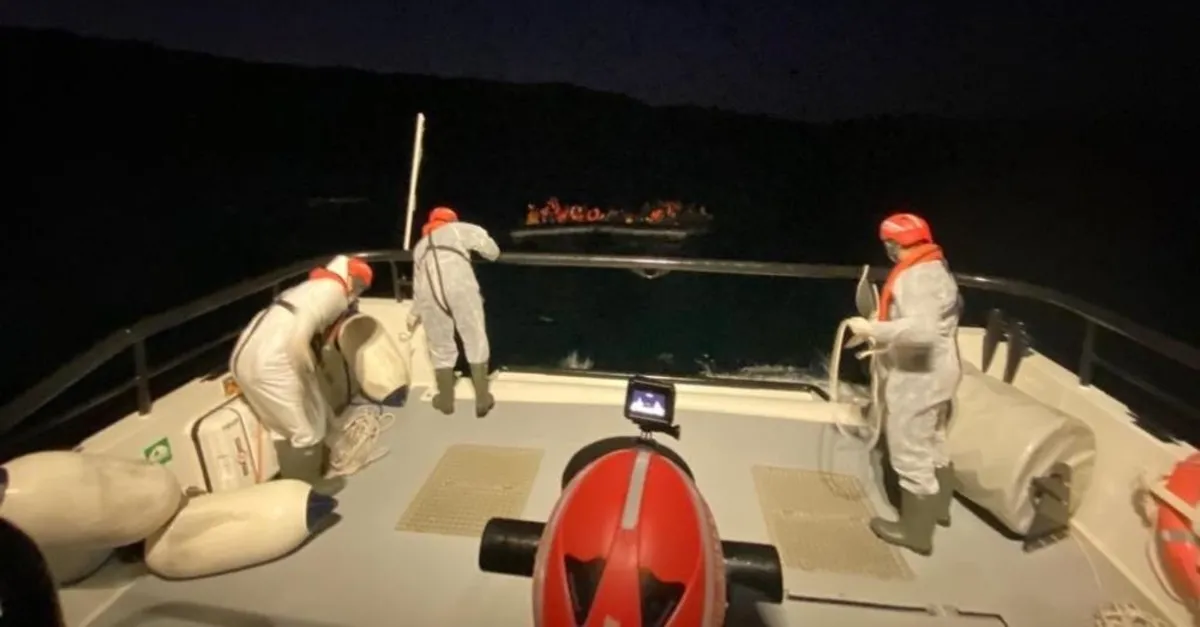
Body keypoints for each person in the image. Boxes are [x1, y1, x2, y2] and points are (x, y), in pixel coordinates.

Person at [845, 212, 962, 556]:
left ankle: (915, 532)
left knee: (909, 445)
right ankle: (939, 508)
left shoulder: (915, 277)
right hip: (942, 367)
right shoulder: (935, 267)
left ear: (894, 245)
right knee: (933, 437)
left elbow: (921, 331)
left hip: (918, 374)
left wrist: (873, 330)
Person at [230, 254, 373, 477]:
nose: (357, 291)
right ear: (348, 278)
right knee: (308, 431)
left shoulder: (308, 288)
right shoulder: (335, 294)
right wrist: (307, 374)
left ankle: (291, 482)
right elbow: (298, 341)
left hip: (242, 359)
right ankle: (309, 488)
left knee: (280, 429)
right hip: (274, 363)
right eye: (358, 284)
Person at [407, 207, 500, 417]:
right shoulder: (458, 229)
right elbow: (492, 251)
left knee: (440, 344)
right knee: (474, 337)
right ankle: (482, 398)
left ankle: (446, 400)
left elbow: (417, 287)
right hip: (459, 286)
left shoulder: (420, 247)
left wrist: (413, 314)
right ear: (451, 220)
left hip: (429, 294)